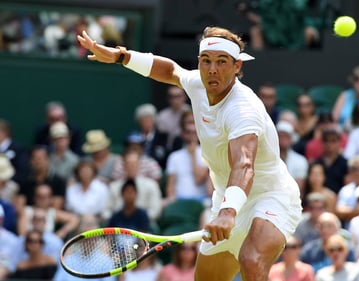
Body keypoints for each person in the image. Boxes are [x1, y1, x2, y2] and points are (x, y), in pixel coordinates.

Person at [78, 25, 302, 281]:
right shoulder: (198, 83)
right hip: (227, 199)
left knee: (251, 260)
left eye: (221, 62)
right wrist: (121, 56)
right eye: (206, 61)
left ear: (237, 66)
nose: (212, 69)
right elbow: (171, 71)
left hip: (271, 197)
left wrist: (228, 214)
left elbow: (244, 164)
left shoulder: (243, 109)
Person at [164, 121, 210, 206]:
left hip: (201, 201)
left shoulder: (207, 154)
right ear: (183, 134)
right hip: (179, 200)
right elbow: (170, 185)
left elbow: (198, 179)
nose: (191, 135)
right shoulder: (174, 156)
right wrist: (172, 199)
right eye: (188, 132)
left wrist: (193, 156)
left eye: (194, 132)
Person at [313, 126, 348, 194]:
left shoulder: (345, 164)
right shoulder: (316, 163)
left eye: (333, 141)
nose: (329, 144)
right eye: (326, 141)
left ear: (339, 142)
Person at [277, 120, 308, 195]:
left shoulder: (300, 160)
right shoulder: (267, 158)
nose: (283, 139)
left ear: (291, 138)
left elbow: (298, 189)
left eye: (286, 136)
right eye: (281, 136)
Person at [156, 85, 191, 150]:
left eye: (178, 96)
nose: (175, 100)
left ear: (185, 97)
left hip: (191, 147)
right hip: (170, 150)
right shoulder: (162, 116)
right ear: (168, 99)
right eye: (172, 97)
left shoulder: (192, 112)